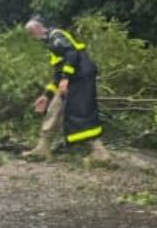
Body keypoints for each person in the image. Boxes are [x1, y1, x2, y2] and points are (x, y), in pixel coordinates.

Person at [23, 16, 106, 161]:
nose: (31, 37)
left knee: (81, 112)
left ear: (38, 28)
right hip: (74, 78)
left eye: (31, 32)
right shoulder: (52, 44)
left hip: (80, 78)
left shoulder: (56, 37)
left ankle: (100, 153)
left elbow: (72, 53)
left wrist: (66, 78)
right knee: (55, 107)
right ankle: (43, 148)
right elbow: (57, 74)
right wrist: (46, 95)